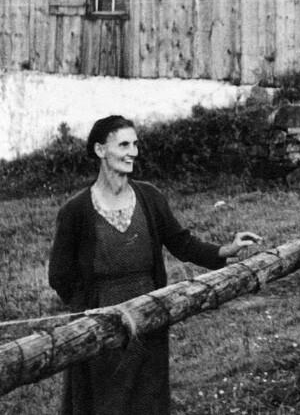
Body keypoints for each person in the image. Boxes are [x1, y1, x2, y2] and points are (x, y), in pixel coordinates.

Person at [48, 115, 263, 415]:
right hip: (101, 321)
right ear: (100, 150)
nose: (133, 152)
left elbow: (182, 243)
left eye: (135, 144)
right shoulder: (76, 210)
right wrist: (89, 309)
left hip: (150, 314)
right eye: (124, 145)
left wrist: (227, 249)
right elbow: (60, 275)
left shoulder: (149, 197)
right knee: (105, 402)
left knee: (147, 399)